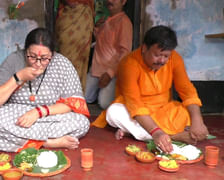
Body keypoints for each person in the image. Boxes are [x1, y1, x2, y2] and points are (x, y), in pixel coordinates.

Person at [93, 25, 209, 153]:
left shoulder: (174, 58)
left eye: (166, 56)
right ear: (144, 48)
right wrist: (156, 132)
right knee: (113, 113)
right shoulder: (129, 64)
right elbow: (135, 105)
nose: (162, 61)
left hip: (163, 110)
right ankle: (173, 137)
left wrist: (198, 121)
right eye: (157, 55)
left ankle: (135, 133)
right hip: (136, 113)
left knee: (186, 112)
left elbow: (187, 91)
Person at [0, 28, 90, 152]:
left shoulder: (62, 64)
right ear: (25, 51)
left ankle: (23, 140)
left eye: (45, 58)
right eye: (32, 57)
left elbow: (72, 104)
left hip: (49, 116)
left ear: (53, 53)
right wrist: (18, 77)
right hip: (16, 117)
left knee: (82, 123)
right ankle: (47, 142)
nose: (38, 63)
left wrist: (38, 112)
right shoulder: (14, 60)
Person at [85, 0, 132, 109]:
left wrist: (110, 74)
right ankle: (99, 91)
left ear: (123, 2)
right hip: (95, 70)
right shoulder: (105, 20)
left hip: (111, 73)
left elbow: (125, 53)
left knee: (104, 103)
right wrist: (96, 29)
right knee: (83, 98)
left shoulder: (124, 22)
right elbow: (101, 42)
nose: (109, 1)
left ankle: (105, 91)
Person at [55, 0, 94, 91]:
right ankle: (64, 95)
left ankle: (77, 97)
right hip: (67, 17)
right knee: (64, 62)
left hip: (83, 17)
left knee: (80, 61)